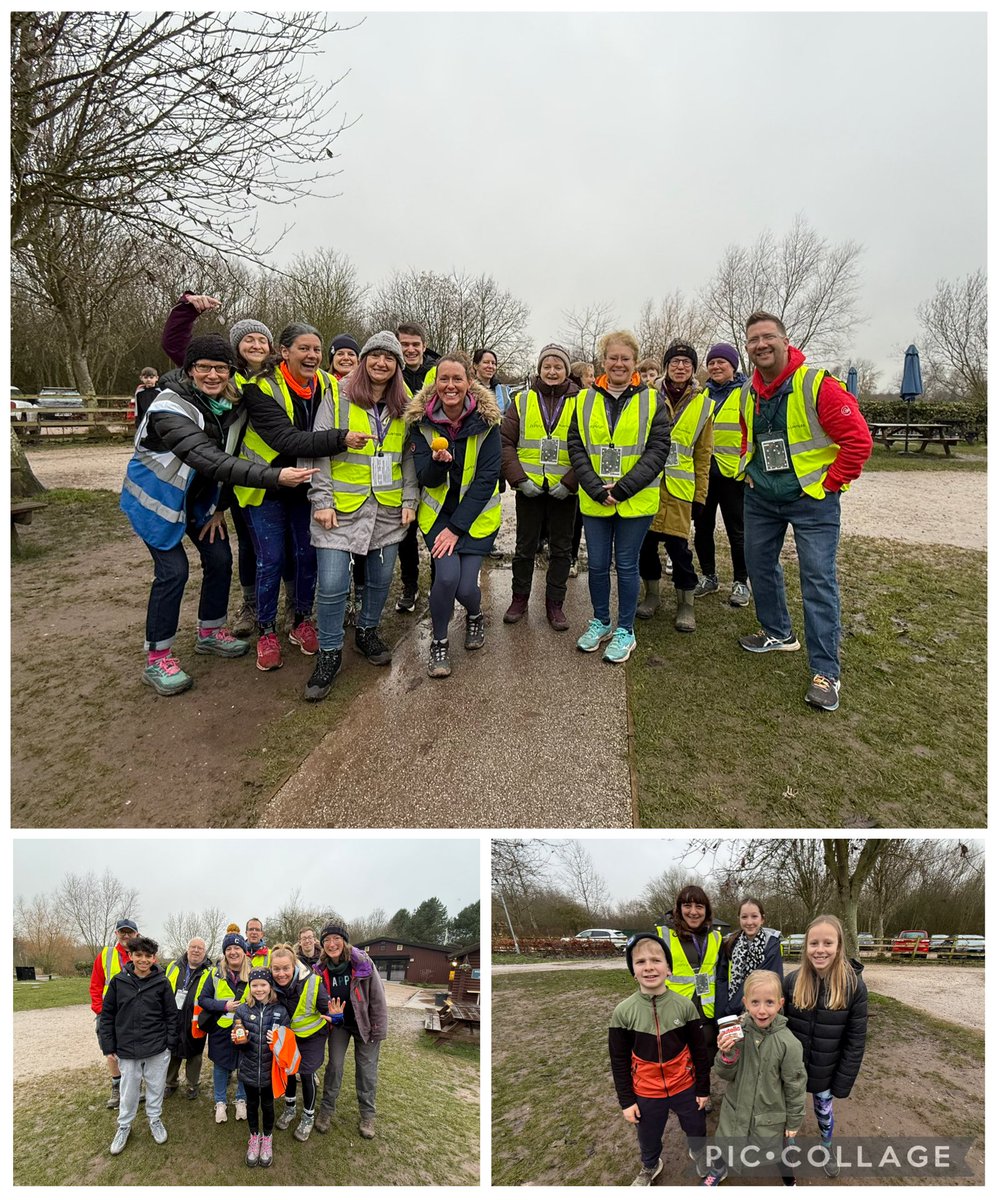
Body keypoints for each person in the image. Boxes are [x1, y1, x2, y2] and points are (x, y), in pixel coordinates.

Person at [120, 334, 318, 696]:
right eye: (204, 368)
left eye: (221, 368)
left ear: (230, 371)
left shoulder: (227, 404)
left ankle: (209, 632)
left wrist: (216, 508)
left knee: (220, 557)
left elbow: (231, 447)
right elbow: (211, 459)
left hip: (197, 501)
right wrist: (275, 476)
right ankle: (157, 658)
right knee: (174, 572)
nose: (213, 375)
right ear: (189, 370)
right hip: (156, 502)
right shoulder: (170, 406)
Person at [735, 311, 873, 712]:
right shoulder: (748, 391)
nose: (760, 345)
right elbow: (749, 436)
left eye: (767, 337)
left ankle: (825, 671)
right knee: (758, 565)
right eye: (753, 340)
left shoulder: (818, 385)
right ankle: (778, 632)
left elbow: (858, 441)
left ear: (784, 339)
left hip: (812, 500)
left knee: (817, 578)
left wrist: (830, 484)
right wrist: (750, 473)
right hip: (762, 497)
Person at [159, 291, 284, 638]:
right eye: (248, 338)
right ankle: (250, 604)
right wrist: (186, 311)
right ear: (235, 348)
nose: (256, 344)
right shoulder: (223, 378)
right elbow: (178, 348)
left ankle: (285, 606)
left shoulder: (277, 377)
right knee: (245, 544)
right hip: (232, 475)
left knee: (270, 546)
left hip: (260, 474)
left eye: (262, 339)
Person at [303, 331, 418, 701]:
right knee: (333, 585)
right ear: (365, 359)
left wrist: (410, 499)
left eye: (390, 358)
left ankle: (367, 632)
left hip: (386, 509)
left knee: (381, 580)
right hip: (338, 509)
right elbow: (317, 449)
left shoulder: (406, 404)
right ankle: (330, 652)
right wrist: (320, 499)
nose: (381, 363)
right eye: (375, 356)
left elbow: (409, 457)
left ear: (398, 366)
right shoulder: (336, 396)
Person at [235, 324, 355, 672]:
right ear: (284, 352)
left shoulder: (330, 384)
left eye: (317, 349)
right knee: (271, 559)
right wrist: (341, 438)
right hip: (266, 485)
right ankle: (267, 630)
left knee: (306, 557)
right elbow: (285, 440)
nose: (312, 356)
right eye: (304, 348)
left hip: (307, 485)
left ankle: (300, 619)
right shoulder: (261, 387)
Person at [567, 330, 671, 663]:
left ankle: (625, 630)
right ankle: (601, 621)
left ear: (635, 361)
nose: (619, 363)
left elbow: (658, 450)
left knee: (626, 565)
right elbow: (576, 446)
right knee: (597, 565)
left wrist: (624, 488)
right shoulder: (583, 399)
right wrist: (596, 488)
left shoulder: (653, 400)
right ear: (603, 361)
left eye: (625, 358)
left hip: (634, 500)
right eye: (613, 357)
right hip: (595, 498)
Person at [407, 351, 502, 679]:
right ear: (434, 384)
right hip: (437, 518)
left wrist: (457, 529)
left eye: (456, 379)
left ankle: (475, 615)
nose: (450, 385)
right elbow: (424, 478)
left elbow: (488, 480)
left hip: (475, 519)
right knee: (446, 578)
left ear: (469, 382)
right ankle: (440, 641)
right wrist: (439, 463)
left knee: (465, 589)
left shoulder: (489, 424)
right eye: (443, 379)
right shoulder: (420, 423)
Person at [608, 933, 709, 1187]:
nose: (649, 967)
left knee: (696, 1127)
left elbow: (700, 1052)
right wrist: (627, 1101)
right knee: (648, 1135)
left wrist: (703, 1088)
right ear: (633, 971)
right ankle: (651, 1165)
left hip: (684, 1085)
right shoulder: (623, 1012)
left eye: (656, 960)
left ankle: (698, 1153)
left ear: (669, 968)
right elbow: (618, 1061)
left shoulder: (685, 1006)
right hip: (646, 1091)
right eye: (640, 962)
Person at [501, 343, 580, 631]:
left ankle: (555, 604)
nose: (552, 371)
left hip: (564, 490)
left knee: (561, 549)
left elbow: (588, 447)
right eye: (547, 366)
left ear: (566, 371)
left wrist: (571, 482)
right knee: (524, 547)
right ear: (539, 369)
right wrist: (520, 480)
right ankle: (519, 598)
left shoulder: (580, 401)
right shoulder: (521, 400)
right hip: (529, 488)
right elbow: (506, 443)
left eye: (558, 366)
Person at [783, 914, 868, 1179]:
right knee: (788, 1111)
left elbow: (855, 1041)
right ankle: (789, 1145)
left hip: (826, 1071)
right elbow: (776, 1025)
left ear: (839, 946)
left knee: (824, 1112)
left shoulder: (854, 987)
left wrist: (842, 1082)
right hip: (792, 1070)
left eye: (827, 943)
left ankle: (827, 1146)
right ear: (805, 947)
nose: (820, 950)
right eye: (814, 943)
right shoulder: (792, 981)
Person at [706, 969, 807, 1187]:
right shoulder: (738, 1034)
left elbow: (795, 1086)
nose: (762, 1010)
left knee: (778, 1150)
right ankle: (718, 1169)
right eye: (755, 1002)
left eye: (769, 1003)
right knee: (726, 1142)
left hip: (770, 1114)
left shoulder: (789, 1044)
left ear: (780, 1003)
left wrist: (794, 1120)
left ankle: (790, 1182)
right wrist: (727, 1054)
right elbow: (724, 1073)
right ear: (745, 1003)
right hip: (736, 1109)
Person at [636, 340, 712, 631]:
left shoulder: (703, 405)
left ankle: (686, 603)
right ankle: (652, 595)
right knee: (646, 545)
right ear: (666, 367)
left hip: (680, 490)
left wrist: (701, 495)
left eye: (686, 363)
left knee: (679, 550)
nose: (680, 367)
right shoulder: (646, 396)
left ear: (693, 368)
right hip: (648, 484)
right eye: (675, 362)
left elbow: (703, 455)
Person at [99, 935, 178, 1156]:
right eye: (139, 955)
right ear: (131, 956)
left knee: (155, 1086)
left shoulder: (162, 983)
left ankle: (154, 1119)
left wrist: (169, 1044)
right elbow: (107, 1016)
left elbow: (171, 1016)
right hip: (127, 1048)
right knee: (128, 1090)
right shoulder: (118, 982)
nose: (143, 960)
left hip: (156, 1047)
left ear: (154, 958)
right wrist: (108, 1045)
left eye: (148, 956)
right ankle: (124, 1125)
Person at [313, 922, 387, 1139]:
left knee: (366, 1071)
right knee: (334, 1066)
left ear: (344, 941)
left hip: (365, 1025)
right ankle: (326, 1110)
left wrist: (378, 1029)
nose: (331, 944)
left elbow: (378, 997)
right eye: (326, 940)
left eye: (336, 939)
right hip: (340, 1025)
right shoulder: (321, 968)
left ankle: (367, 1115)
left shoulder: (362, 963)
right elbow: (320, 999)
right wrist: (330, 1015)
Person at [691, 342, 751, 607]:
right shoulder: (703, 395)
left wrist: (750, 467)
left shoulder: (746, 393)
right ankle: (709, 576)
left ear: (733, 366)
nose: (715, 366)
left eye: (721, 362)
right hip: (704, 473)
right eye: (712, 362)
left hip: (734, 474)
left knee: (737, 530)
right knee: (702, 527)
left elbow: (754, 432)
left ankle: (741, 581)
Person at [270, 944, 339, 1141]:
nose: (281, 973)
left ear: (294, 966)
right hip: (290, 1037)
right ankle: (290, 1108)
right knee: (290, 1070)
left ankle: (308, 1116)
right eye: (276, 969)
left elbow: (328, 1010)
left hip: (312, 1036)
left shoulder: (313, 982)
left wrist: (336, 1016)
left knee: (306, 1074)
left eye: (285, 968)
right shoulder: (271, 984)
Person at [394, 321, 440, 614]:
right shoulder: (388, 370)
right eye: (404, 344)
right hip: (398, 458)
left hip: (431, 457)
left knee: (435, 524)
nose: (409, 350)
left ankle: (439, 585)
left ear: (424, 345)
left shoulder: (437, 372)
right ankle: (410, 586)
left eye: (415, 344)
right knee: (405, 528)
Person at [658, 886, 723, 1086]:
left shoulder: (715, 937)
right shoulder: (664, 935)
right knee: (680, 1056)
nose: (693, 912)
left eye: (699, 906)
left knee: (705, 1055)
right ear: (678, 909)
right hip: (676, 1010)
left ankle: (703, 1091)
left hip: (707, 1010)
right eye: (687, 905)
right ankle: (684, 1093)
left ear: (707, 910)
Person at [233, 966, 292, 1168]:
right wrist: (240, 1040)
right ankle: (254, 1137)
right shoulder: (242, 1010)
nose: (259, 989)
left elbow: (287, 1042)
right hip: (248, 1068)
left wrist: (277, 1041)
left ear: (270, 986)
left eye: (263, 985)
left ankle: (267, 1139)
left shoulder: (280, 1010)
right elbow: (238, 1040)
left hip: (270, 1071)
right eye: (254, 985)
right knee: (251, 1105)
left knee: (267, 1105)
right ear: (249, 987)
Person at [327, 332, 365, 626]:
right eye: (340, 353)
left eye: (351, 354)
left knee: (363, 551)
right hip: (336, 486)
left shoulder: (369, 390)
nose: (346, 358)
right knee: (337, 558)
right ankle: (337, 605)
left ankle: (359, 600)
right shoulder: (325, 388)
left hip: (367, 487)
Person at [198, 930, 251, 1123]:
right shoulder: (215, 974)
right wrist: (223, 1005)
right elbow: (202, 999)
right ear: (225, 952)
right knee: (220, 1066)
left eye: (237, 947)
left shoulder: (253, 973)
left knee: (243, 1065)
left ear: (244, 951)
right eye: (229, 948)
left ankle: (241, 1099)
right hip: (220, 1029)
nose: (233, 952)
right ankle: (220, 1102)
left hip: (245, 1029)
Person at [90, 918, 138, 1109]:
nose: (126, 935)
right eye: (122, 932)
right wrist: (101, 1011)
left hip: (133, 1014)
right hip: (109, 1014)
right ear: (116, 933)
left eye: (130, 932)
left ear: (136, 934)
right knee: (111, 1052)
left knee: (134, 1051)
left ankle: (134, 1087)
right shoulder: (106, 955)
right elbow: (95, 985)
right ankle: (117, 1087)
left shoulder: (142, 955)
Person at [715, 897, 784, 1019]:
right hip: (731, 1012)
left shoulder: (771, 944)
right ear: (739, 919)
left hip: (759, 1012)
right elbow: (722, 979)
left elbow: (768, 981)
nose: (749, 922)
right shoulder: (729, 943)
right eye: (744, 917)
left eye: (754, 916)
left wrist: (732, 1007)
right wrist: (722, 1013)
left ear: (762, 919)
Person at [164, 936, 213, 1099]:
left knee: (195, 1053)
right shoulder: (173, 966)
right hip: (174, 1016)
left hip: (196, 1019)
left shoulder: (210, 971)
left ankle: (193, 1085)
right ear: (187, 949)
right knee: (173, 1050)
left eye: (200, 948)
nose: (196, 950)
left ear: (204, 952)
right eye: (193, 947)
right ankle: (170, 1083)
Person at [472, 346, 512, 413]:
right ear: (475, 366)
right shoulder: (467, 390)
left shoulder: (504, 391)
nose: (490, 366)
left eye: (493, 363)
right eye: (486, 362)